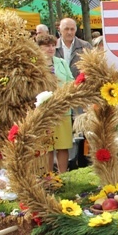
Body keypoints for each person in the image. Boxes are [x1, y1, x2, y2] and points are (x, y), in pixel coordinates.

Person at [37, 34, 74, 173]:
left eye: (53, 45)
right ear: (39, 48)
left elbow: (71, 81)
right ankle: (49, 177)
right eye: (47, 46)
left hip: (62, 110)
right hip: (44, 111)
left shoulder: (61, 62)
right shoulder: (35, 65)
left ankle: (62, 175)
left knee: (63, 145)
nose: (51, 48)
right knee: (47, 146)